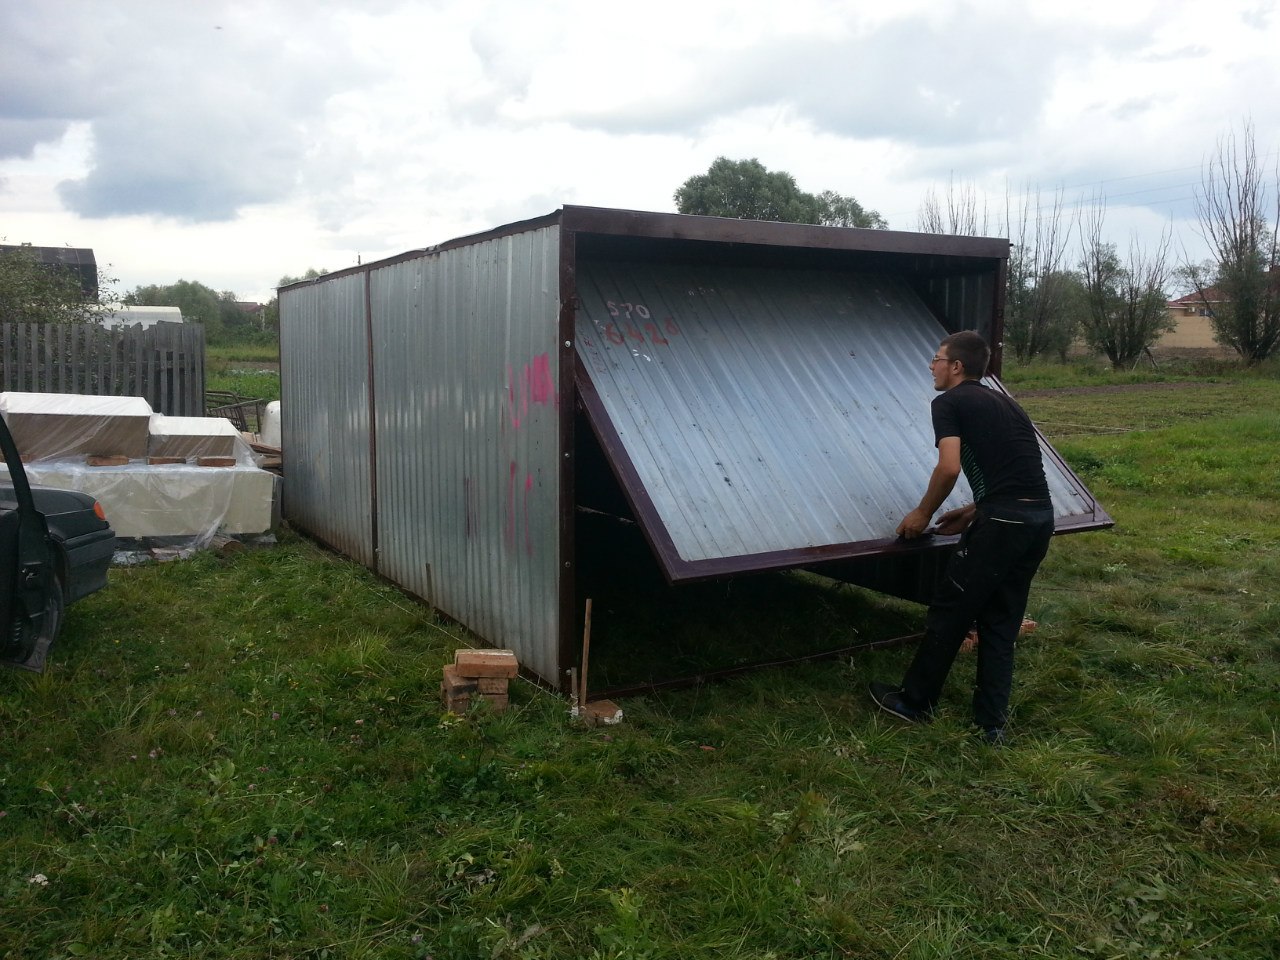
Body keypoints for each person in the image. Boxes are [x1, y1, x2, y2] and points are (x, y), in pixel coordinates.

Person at [868, 330, 1054, 745]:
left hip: (1003, 522)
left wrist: (923, 513)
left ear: (956, 367)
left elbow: (949, 467)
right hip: (1037, 518)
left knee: (951, 610)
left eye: (936, 359)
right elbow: (1019, 472)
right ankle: (991, 725)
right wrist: (974, 511)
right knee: (1002, 621)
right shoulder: (1006, 403)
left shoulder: (949, 402)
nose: (931, 367)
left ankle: (913, 702)